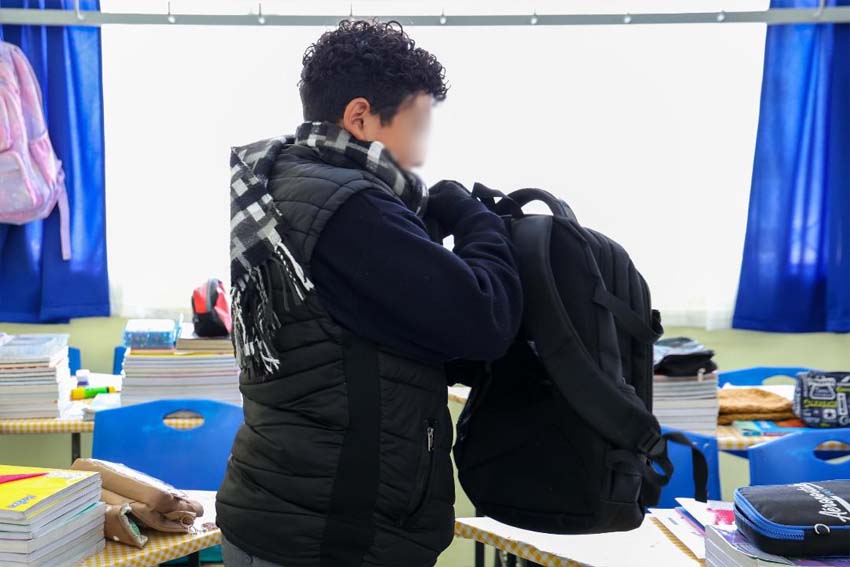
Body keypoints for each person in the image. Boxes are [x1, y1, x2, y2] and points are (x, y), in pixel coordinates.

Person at [217, 20, 523, 567]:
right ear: (359, 117)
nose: (419, 152)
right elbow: (484, 320)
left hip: (282, 513)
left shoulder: (281, 180)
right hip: (331, 535)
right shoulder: (352, 207)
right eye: (413, 127)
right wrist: (476, 221)